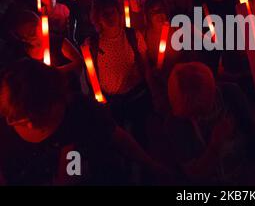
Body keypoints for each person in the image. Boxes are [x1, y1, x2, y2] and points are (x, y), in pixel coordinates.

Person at [0, 59, 168, 185]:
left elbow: (117, 136)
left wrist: (151, 165)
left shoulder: (79, 108)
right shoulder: (5, 137)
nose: (30, 125)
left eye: (39, 114)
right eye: (21, 120)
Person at [163, 62, 255, 184]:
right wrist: (215, 144)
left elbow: (253, 129)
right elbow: (195, 174)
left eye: (200, 111)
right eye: (191, 114)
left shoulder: (231, 94)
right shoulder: (176, 124)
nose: (197, 117)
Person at [84, 0, 152, 147]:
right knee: (118, 141)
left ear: (119, 13)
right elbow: (91, 74)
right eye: (104, 14)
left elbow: (146, 66)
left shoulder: (134, 36)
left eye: (112, 12)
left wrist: (153, 91)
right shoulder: (92, 44)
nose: (109, 16)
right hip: (111, 102)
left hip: (137, 96)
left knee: (141, 136)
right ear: (97, 18)